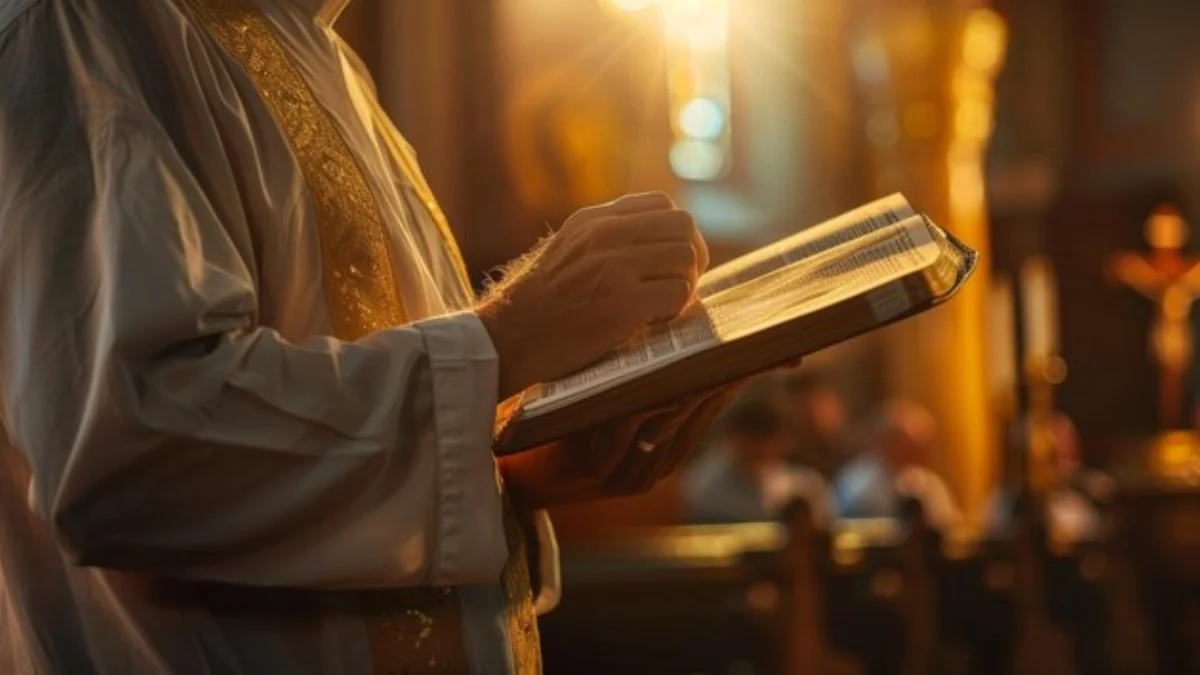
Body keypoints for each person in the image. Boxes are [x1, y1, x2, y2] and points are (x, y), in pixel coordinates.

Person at [0, 2, 739, 673]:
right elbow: (135, 456)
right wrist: (508, 334)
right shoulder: (83, 25)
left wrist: (513, 475)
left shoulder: (330, 60)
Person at [683, 382, 830, 526]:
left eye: (769, 441)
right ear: (734, 440)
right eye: (755, 442)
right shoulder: (704, 489)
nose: (763, 450)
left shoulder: (805, 486)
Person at [831, 400, 960, 531]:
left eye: (920, 447)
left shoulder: (929, 484)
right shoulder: (855, 483)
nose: (915, 454)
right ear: (886, 440)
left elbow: (948, 526)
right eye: (907, 445)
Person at [780, 369, 849, 476]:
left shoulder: (862, 460)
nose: (815, 414)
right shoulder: (785, 468)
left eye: (821, 402)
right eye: (805, 407)